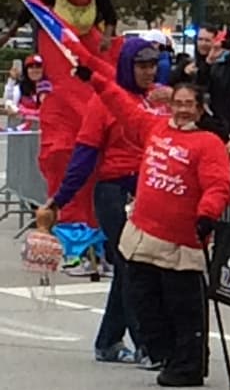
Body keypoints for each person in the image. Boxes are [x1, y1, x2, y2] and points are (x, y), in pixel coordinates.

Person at [73, 65, 230, 387]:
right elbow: (121, 105)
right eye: (178, 102)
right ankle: (164, 354)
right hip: (143, 234)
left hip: (181, 239)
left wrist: (207, 213)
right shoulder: (154, 128)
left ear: (200, 109)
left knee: (183, 306)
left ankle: (188, 364)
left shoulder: (208, 143)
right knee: (145, 300)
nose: (183, 109)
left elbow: (218, 184)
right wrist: (95, 79)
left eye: (190, 104)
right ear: (170, 104)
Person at [42, 37, 172, 365]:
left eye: (152, 65)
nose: (148, 71)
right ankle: (146, 345)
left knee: (130, 267)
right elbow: (83, 156)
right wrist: (60, 199)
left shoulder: (158, 101)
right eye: (141, 65)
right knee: (131, 264)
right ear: (127, 66)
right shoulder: (105, 103)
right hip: (114, 192)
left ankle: (108, 341)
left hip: (148, 190)